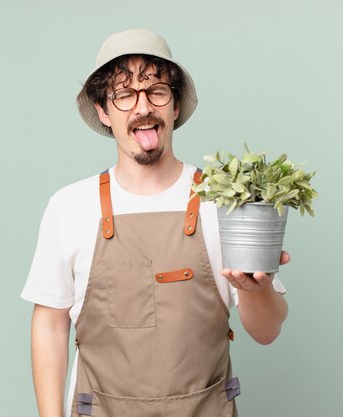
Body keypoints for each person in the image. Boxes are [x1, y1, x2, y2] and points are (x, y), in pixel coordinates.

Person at [21, 29, 290, 417]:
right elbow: (49, 324)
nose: (142, 108)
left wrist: (255, 289)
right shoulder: (69, 207)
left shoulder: (225, 202)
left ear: (174, 105)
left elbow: (267, 331)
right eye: (125, 95)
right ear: (103, 110)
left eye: (156, 91)